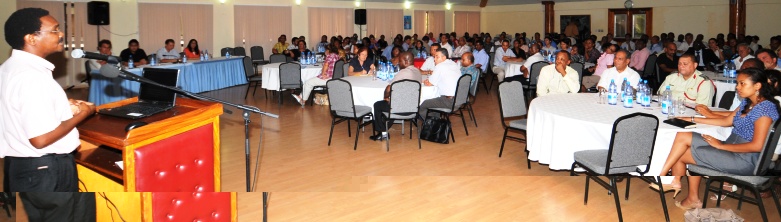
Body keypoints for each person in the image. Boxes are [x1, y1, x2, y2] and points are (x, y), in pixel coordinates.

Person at [654, 68, 780, 210]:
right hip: (731, 148)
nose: (737, 87)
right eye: (737, 83)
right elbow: (726, 121)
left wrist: (721, 146)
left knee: (682, 154)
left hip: (745, 159)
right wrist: (690, 118)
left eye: (742, 84)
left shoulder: (765, 110)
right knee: (683, 136)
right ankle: (665, 177)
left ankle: (684, 192)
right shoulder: (748, 102)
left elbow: (757, 146)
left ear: (757, 86)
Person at [1, 7, 97, 192]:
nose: (61, 34)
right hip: (45, 170)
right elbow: (41, 139)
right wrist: (84, 113)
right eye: (55, 29)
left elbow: (17, 111)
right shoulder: (32, 76)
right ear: (31, 38)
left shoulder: (8, 68)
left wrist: (61, 106)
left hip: (19, 166)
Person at [369, 52, 422, 141]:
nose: (398, 63)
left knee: (378, 105)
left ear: (405, 61)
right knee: (394, 103)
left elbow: (389, 88)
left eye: (400, 61)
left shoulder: (404, 72)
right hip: (413, 108)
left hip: (399, 108)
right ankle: (385, 130)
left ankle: (382, 133)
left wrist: (386, 97)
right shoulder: (417, 72)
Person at [419, 48, 461, 118]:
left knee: (424, 104)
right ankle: (436, 121)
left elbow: (429, 83)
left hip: (449, 101)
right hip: (459, 99)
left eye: (437, 57)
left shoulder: (440, 66)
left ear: (444, 58)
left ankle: (430, 124)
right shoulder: (453, 64)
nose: (434, 59)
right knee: (434, 100)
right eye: (434, 57)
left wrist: (427, 81)